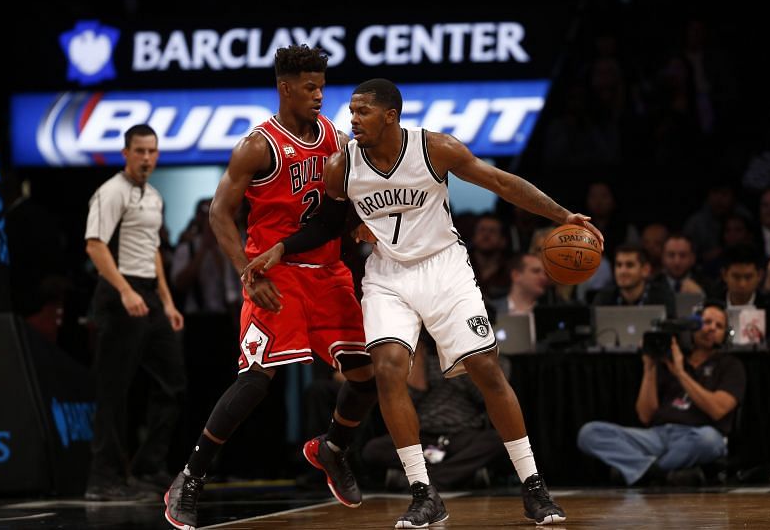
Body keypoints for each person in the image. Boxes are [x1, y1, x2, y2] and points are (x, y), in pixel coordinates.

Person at [245, 78, 604, 527]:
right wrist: (284, 248)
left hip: (445, 268)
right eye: (351, 112)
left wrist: (562, 215)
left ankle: (533, 486)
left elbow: (501, 183)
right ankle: (423, 492)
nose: (352, 120)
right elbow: (327, 224)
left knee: (486, 369)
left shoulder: (436, 149)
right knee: (389, 370)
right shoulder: (343, 164)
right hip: (388, 275)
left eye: (362, 112)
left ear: (390, 115)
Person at [164, 46, 377, 530]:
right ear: (285, 88)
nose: (320, 95)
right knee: (257, 380)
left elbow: (343, 202)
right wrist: (248, 271)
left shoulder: (335, 139)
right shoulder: (257, 146)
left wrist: (360, 223)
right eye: (309, 87)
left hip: (327, 272)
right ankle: (189, 478)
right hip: (275, 273)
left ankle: (331, 449)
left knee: (366, 377)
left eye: (322, 86)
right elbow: (220, 213)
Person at [84, 124, 187, 500]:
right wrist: (124, 290)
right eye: (139, 151)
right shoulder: (111, 192)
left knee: (172, 382)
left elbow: (153, 250)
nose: (146, 158)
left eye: (152, 151)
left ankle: (147, 467)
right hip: (118, 291)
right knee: (113, 388)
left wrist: (167, 301)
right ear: (125, 153)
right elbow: (95, 246)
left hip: (148, 293)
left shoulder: (154, 197)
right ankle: (103, 478)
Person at [577, 301, 746, 486]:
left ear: (725, 335)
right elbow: (645, 415)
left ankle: (639, 469)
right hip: (657, 436)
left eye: (718, 326)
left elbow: (718, 409)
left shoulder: (730, 365)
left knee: (710, 441)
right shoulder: (669, 359)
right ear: (692, 327)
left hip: (695, 436)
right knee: (589, 433)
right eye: (706, 322)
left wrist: (681, 374)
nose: (711, 329)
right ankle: (660, 472)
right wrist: (649, 368)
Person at [361, 332, 509, 492]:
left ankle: (431, 480)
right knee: (374, 449)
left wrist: (464, 364)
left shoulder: (491, 362)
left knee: (499, 440)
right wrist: (419, 358)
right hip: (425, 437)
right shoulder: (426, 362)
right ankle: (460, 474)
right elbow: (409, 398)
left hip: (463, 436)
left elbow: (483, 397)